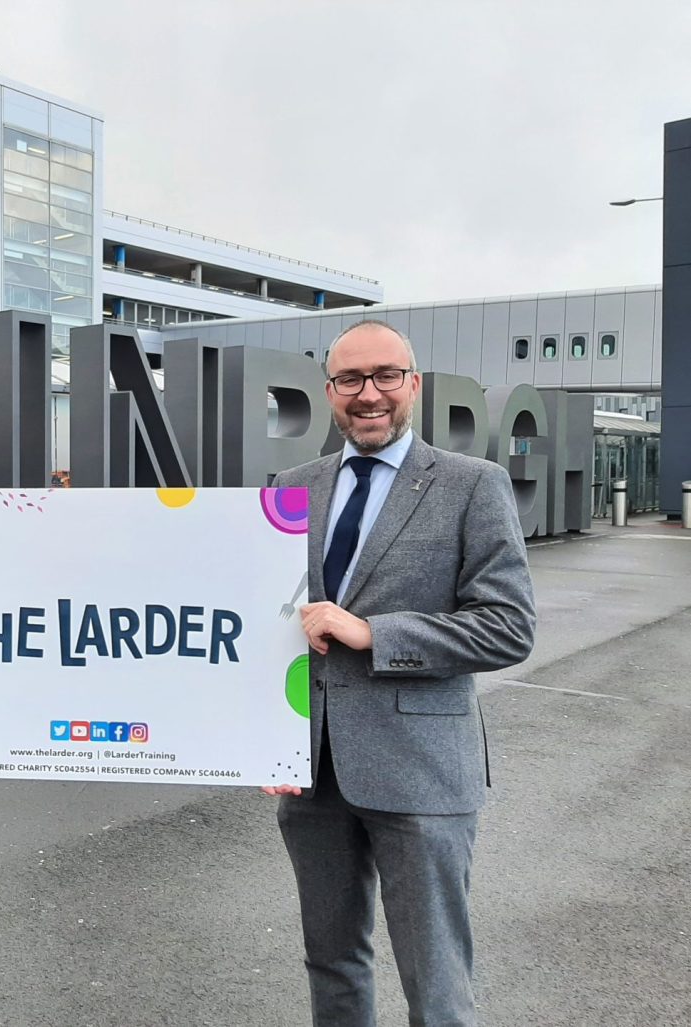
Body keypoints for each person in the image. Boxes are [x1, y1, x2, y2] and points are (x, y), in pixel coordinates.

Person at [264, 320, 536, 1026]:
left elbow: (507, 625)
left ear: (412, 384)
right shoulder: (290, 488)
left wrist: (372, 632)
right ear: (329, 393)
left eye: (386, 375)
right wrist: (257, 732)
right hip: (312, 771)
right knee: (331, 962)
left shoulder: (472, 485)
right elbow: (261, 620)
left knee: (435, 978)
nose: (369, 393)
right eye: (350, 379)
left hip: (421, 771)